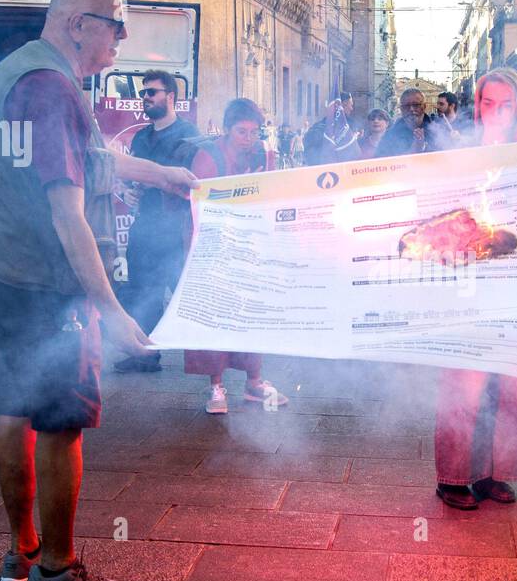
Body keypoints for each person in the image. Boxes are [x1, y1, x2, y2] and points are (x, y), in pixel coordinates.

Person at [0, 0, 197, 581]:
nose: (122, 40)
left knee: (15, 409)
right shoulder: (52, 89)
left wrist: (162, 173)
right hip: (41, 281)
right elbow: (67, 212)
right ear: (79, 23)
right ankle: (58, 573)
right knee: (63, 420)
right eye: (116, 24)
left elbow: (91, 159)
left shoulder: (18, 72)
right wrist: (108, 309)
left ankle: (23, 553)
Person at [435, 69, 517, 511]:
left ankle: (498, 472)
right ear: (476, 106)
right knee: (466, 383)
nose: (495, 113)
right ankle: (454, 475)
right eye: (487, 103)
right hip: (468, 288)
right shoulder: (458, 155)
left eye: (505, 104)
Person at [184, 97, 290, 415]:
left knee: (251, 312)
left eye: (254, 132)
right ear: (227, 130)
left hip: (250, 241)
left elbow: (270, 192)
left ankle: (255, 381)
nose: (248, 138)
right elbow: (199, 203)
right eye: (242, 132)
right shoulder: (208, 155)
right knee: (216, 314)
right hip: (212, 242)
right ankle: (216, 386)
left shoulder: (264, 152)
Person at [115, 70, 206, 374]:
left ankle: (214, 360)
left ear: (171, 97)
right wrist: (130, 191)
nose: (146, 98)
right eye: (143, 93)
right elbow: (135, 175)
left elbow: (195, 182)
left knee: (186, 290)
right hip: (146, 225)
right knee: (142, 290)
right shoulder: (141, 136)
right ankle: (145, 354)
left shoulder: (189, 134)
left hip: (177, 227)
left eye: (152, 92)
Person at [378, 88, 444, 156]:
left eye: (416, 105)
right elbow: (382, 161)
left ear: (424, 106)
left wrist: (424, 147)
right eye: (406, 106)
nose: (411, 109)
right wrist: (413, 150)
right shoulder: (390, 134)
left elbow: (446, 157)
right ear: (401, 109)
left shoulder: (437, 130)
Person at [303, 93, 359, 166]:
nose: (352, 109)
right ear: (344, 104)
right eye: (351, 105)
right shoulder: (319, 128)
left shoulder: (318, 126)